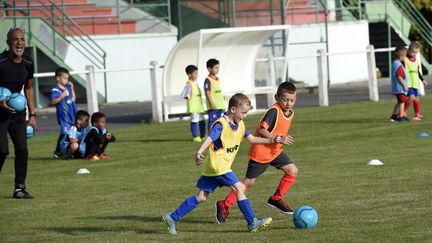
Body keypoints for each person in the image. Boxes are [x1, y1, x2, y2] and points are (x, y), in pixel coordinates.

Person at [163, 93, 290, 235]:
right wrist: (199, 151)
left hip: (212, 169)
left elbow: (253, 139)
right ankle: (252, 222)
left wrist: (274, 140)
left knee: (201, 198)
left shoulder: (240, 125)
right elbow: (210, 138)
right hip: (218, 165)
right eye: (243, 113)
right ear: (233, 110)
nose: (245, 116)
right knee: (239, 188)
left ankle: (172, 217)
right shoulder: (221, 124)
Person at [215, 82, 298, 224]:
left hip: (274, 151)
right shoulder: (274, 111)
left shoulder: (290, 112)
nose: (288, 103)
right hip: (261, 152)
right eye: (285, 99)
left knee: (292, 170)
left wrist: (278, 141)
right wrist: (277, 138)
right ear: (277, 97)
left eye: (292, 100)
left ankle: (276, 198)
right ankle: (224, 204)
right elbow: (262, 130)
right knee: (248, 183)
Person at [0, 28, 37, 199]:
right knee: (1, 151)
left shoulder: (28, 63)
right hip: (0, 113)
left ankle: (19, 188)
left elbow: (28, 88)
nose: (19, 42)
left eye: (22, 39)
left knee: (22, 149)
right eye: (15, 39)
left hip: (18, 113)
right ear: (8, 42)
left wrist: (33, 114)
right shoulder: (0, 61)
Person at [51, 67, 77, 157]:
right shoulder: (56, 89)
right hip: (64, 116)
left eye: (67, 78)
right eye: (64, 78)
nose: (67, 80)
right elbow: (53, 101)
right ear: (58, 78)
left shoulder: (68, 88)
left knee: (70, 133)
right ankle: (60, 151)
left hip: (72, 115)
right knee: (64, 133)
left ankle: (63, 150)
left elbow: (73, 99)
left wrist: (72, 88)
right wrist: (61, 96)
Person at [181, 65, 206, 142]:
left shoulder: (195, 83)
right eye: (195, 73)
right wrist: (188, 97)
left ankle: (203, 136)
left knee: (202, 121)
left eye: (196, 73)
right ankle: (195, 137)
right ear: (189, 75)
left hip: (199, 106)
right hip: (193, 107)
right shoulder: (189, 84)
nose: (196, 75)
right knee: (194, 121)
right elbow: (183, 94)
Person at [403, 41, 428, 121]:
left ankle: (417, 113)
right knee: (411, 98)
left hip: (415, 84)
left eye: (416, 52)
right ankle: (403, 112)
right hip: (408, 83)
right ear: (408, 50)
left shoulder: (416, 60)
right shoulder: (404, 59)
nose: (414, 54)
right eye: (413, 52)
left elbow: (417, 71)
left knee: (417, 99)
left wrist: (423, 80)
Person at [204, 58, 225, 131]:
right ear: (209, 69)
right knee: (212, 122)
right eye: (215, 68)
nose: (217, 69)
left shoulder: (217, 79)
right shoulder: (208, 80)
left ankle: (218, 136)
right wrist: (212, 103)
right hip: (213, 107)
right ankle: (210, 138)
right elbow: (207, 93)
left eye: (218, 67)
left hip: (220, 105)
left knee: (221, 122)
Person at [390, 47, 409, 122]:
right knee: (402, 102)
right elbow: (399, 76)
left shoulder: (394, 63)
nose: (405, 57)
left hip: (397, 88)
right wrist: (404, 85)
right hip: (400, 88)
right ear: (401, 56)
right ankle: (401, 116)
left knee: (399, 102)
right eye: (405, 56)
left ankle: (394, 115)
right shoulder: (399, 65)